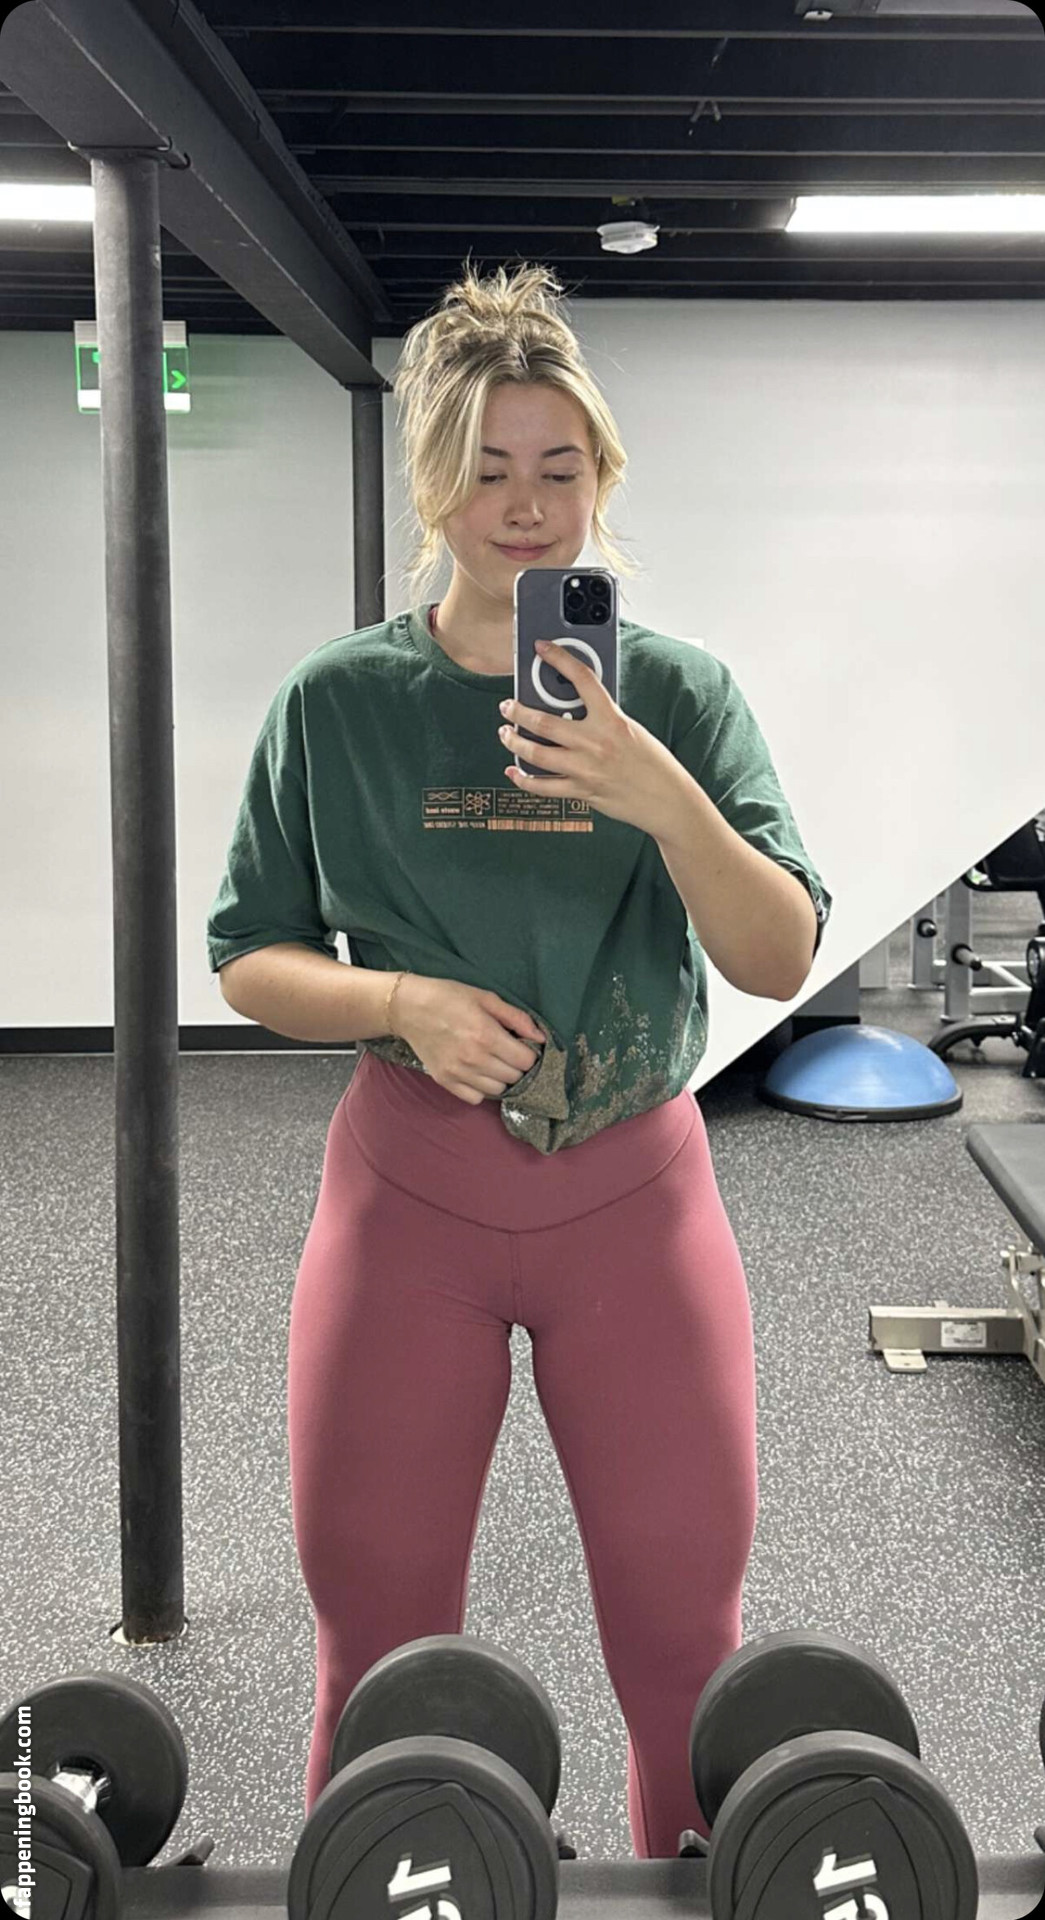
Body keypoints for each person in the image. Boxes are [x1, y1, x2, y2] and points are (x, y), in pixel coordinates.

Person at [206, 260, 833, 1856]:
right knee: (380, 1647)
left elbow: (774, 954)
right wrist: (399, 1003)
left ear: (601, 477)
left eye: (559, 467)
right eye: (487, 468)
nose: (527, 507)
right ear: (435, 481)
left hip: (633, 1198)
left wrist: (653, 793)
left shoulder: (676, 694)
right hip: (407, 1199)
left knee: (683, 1645)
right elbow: (250, 955)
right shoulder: (339, 702)